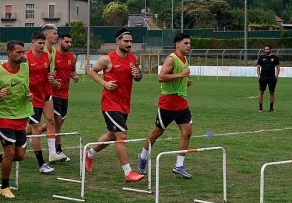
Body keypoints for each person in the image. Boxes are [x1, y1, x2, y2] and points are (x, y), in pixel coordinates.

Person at [85, 29, 144, 184]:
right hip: (110, 103)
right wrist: (104, 83)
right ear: (118, 42)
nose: (129, 44)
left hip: (125, 103)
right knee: (122, 136)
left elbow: (138, 77)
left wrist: (138, 74)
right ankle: (128, 172)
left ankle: (90, 153)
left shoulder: (133, 57)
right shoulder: (107, 59)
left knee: (112, 135)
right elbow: (91, 71)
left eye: (131, 41)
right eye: (126, 41)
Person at [137, 32, 194, 179]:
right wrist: (181, 75)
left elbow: (177, 78)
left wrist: (185, 82)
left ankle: (179, 165)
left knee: (187, 133)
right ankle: (143, 156)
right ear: (177, 44)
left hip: (182, 102)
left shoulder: (184, 59)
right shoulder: (172, 58)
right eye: (186, 43)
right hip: (168, 103)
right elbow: (161, 77)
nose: (189, 46)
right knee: (157, 132)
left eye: (189, 43)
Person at [0, 40, 33, 199]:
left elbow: (25, 87)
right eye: (18, 52)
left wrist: (29, 94)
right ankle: (4, 187)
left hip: (21, 115)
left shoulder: (25, 68)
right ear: (9, 53)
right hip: (3, 117)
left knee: (20, 155)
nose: (22, 55)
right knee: (10, 152)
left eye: (23, 52)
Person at [25, 32, 60, 174]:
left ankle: (52, 153)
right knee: (37, 129)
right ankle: (41, 163)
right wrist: (26, 92)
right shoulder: (26, 58)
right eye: (39, 43)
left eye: (43, 43)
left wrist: (52, 78)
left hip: (46, 93)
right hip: (32, 98)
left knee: (51, 121)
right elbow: (22, 77)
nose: (41, 45)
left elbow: (48, 74)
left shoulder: (47, 56)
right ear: (32, 43)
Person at [51, 33, 79, 161]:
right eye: (67, 42)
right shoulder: (52, 55)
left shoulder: (72, 57)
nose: (69, 44)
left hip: (65, 94)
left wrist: (75, 76)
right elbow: (46, 73)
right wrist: (52, 81)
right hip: (53, 94)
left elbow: (72, 71)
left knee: (59, 123)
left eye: (70, 42)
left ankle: (36, 130)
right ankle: (57, 151)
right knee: (58, 122)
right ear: (60, 41)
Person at [257, 45, 280, 113]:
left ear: (270, 50)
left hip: (272, 78)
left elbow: (278, 67)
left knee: (272, 92)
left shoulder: (275, 57)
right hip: (263, 78)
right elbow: (258, 67)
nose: (266, 50)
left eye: (268, 49)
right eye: (265, 49)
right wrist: (259, 76)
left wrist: (277, 75)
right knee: (261, 92)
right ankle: (260, 108)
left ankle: (271, 108)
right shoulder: (261, 57)